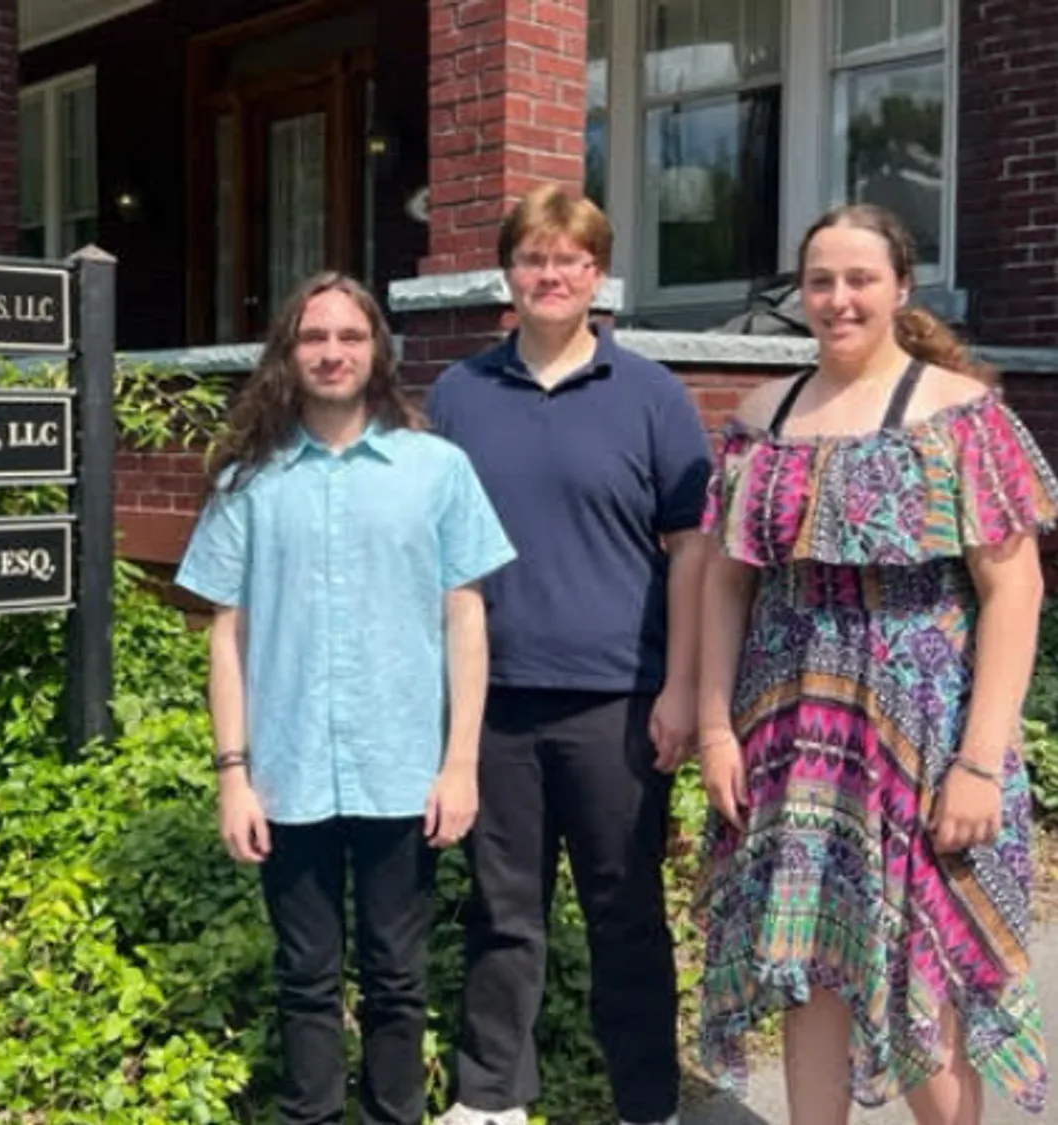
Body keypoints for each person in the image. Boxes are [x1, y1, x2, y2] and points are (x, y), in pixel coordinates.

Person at [694, 202, 1053, 1124]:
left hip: (926, 734)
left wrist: (980, 759)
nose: (838, 299)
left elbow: (1014, 590)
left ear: (900, 287)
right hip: (790, 731)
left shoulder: (958, 416)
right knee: (810, 961)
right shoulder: (758, 420)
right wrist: (712, 727)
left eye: (860, 279)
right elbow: (725, 584)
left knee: (919, 975)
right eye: (820, 281)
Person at [176, 271, 516, 1125]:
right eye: (314, 337)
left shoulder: (436, 469)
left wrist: (460, 764)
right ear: (288, 353)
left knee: (400, 978)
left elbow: (465, 619)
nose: (332, 352)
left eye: (350, 337)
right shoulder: (246, 480)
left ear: (378, 352)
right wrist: (232, 773)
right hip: (286, 774)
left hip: (403, 768)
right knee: (304, 977)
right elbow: (228, 633)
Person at [427, 186, 712, 1125]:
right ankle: (491, 1097)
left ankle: (647, 1102)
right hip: (496, 700)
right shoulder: (461, 394)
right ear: (508, 273)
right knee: (503, 913)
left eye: (572, 259)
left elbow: (691, 555)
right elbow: (434, 551)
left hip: (618, 703)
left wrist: (682, 689)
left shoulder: (652, 396)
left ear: (598, 274)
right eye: (534, 258)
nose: (552, 275)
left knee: (625, 914)